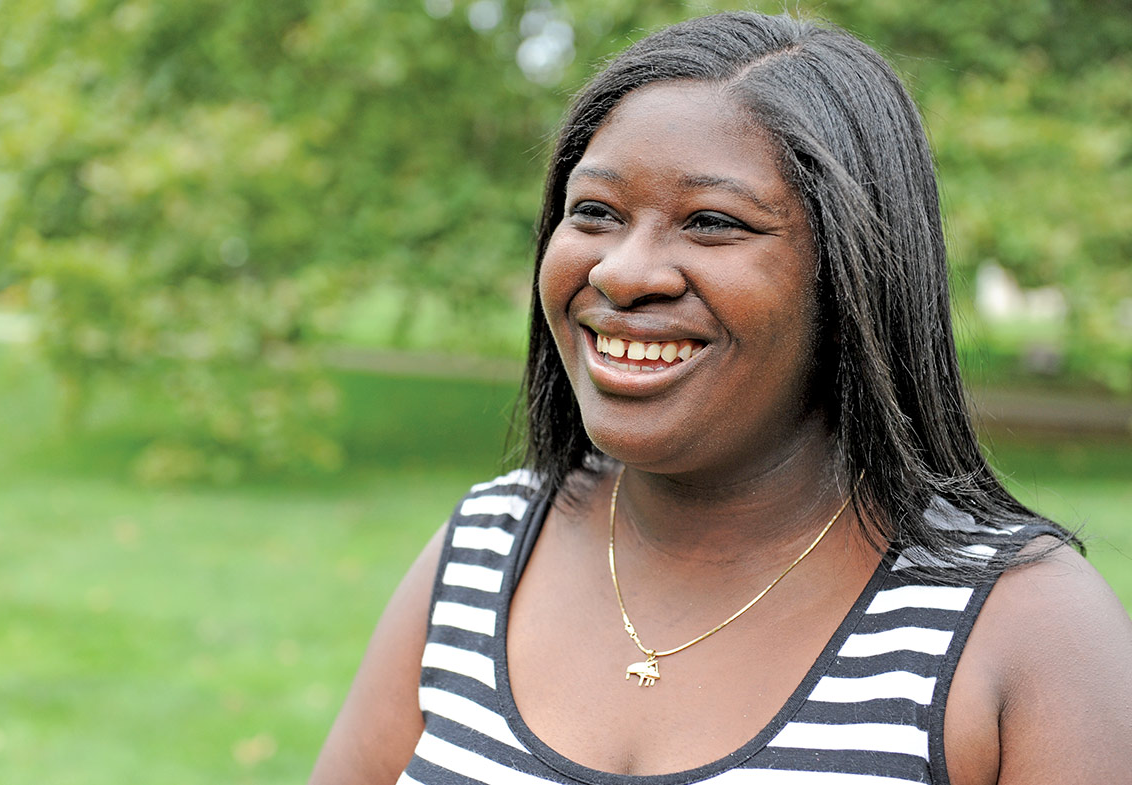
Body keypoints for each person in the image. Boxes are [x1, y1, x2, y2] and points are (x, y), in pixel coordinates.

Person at [311, 12, 1132, 784]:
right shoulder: (485, 549)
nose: (624, 273)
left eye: (711, 222)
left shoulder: (1026, 626)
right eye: (594, 212)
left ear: (853, 277)